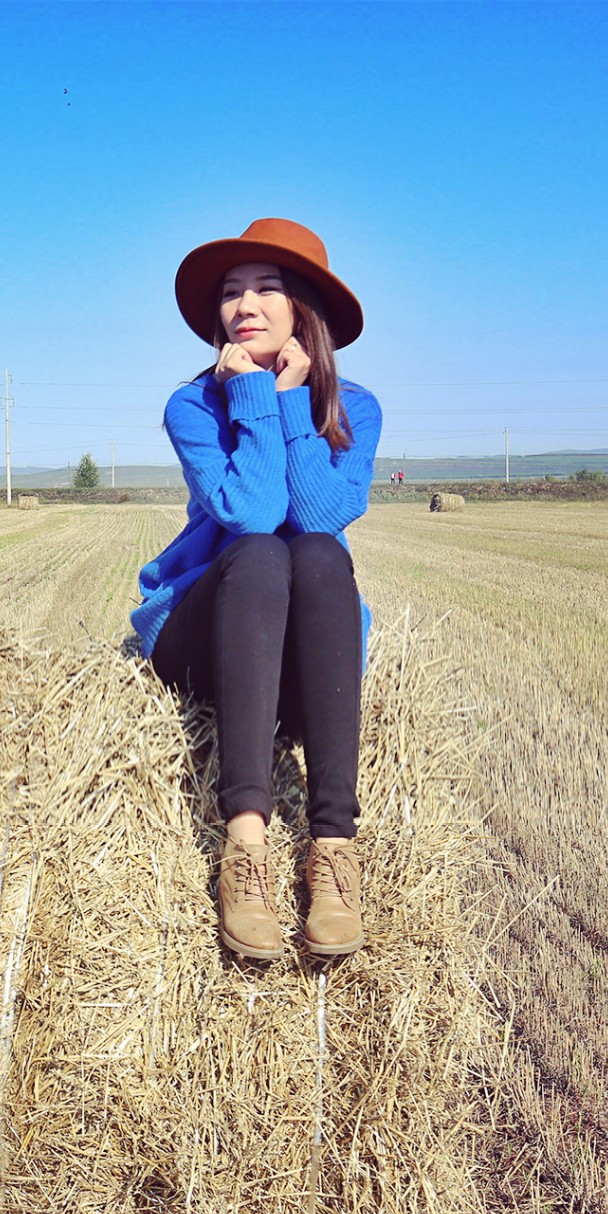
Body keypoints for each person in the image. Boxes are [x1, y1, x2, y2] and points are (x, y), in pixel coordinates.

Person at [132, 218, 382, 962]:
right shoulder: (193, 406)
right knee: (263, 555)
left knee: (319, 557)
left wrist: (295, 407)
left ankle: (333, 854)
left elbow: (318, 513)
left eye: (266, 288)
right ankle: (245, 853)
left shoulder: (356, 409)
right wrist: (248, 394)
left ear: (304, 306)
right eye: (232, 292)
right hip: (205, 634)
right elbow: (250, 511)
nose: (244, 303)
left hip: (299, 657)